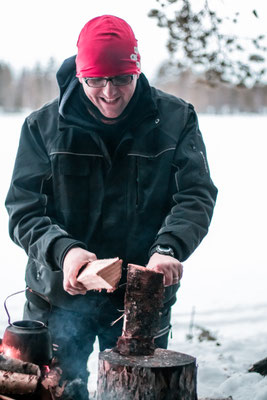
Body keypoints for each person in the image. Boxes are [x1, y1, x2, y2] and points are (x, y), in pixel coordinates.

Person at [5, 15, 217, 398]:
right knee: (51, 391)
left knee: (140, 392)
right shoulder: (43, 126)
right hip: (58, 294)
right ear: (81, 74)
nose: (109, 92)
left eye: (121, 78)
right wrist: (63, 251)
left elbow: (195, 195)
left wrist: (168, 249)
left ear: (136, 69)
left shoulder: (175, 119)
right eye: (95, 80)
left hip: (140, 301)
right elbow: (24, 209)